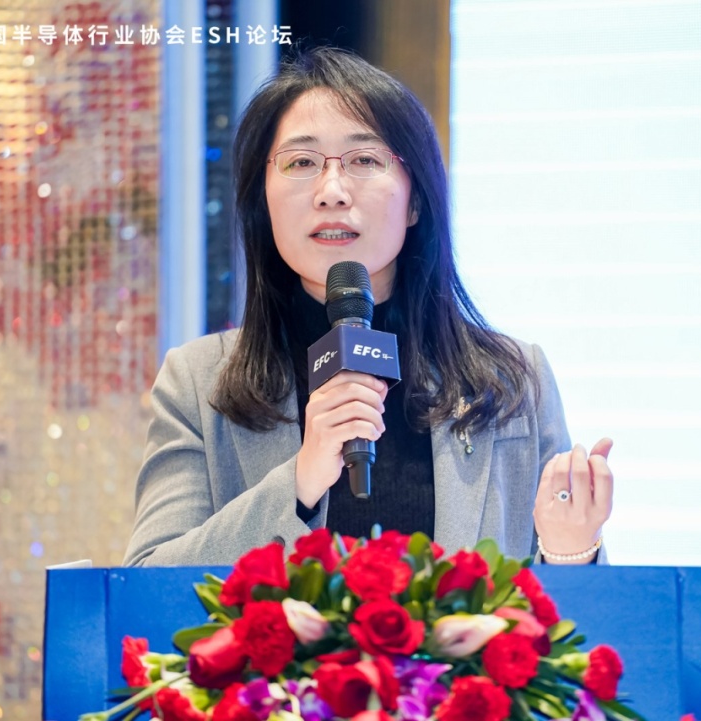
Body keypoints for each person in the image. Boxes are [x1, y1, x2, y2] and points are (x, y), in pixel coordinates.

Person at [123, 48, 613, 567]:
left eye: (364, 161)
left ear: (416, 200)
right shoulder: (198, 383)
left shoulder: (514, 381)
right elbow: (146, 583)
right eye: (301, 163)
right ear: (263, 200)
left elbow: (571, 611)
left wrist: (571, 550)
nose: (331, 191)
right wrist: (299, 482)